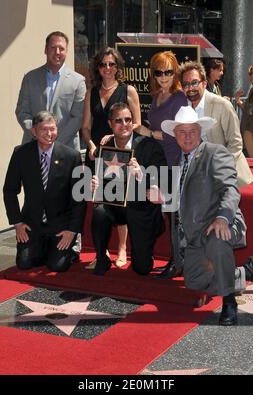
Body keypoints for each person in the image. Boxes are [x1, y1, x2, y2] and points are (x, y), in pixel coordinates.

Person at [160, 106, 253, 325]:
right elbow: (177, 199)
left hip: (221, 224)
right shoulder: (176, 161)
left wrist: (223, 217)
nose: (187, 136)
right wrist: (160, 195)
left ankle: (229, 301)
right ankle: (245, 272)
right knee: (194, 282)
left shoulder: (214, 152)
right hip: (195, 234)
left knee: (218, 239)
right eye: (182, 132)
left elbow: (230, 188)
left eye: (192, 131)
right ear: (175, 135)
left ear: (200, 131)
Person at [15, 31, 86, 261]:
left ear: (67, 51)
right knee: (35, 195)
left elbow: (76, 117)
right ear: (45, 49)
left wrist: (54, 141)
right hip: (34, 148)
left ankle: (70, 241)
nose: (58, 52)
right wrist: (38, 134)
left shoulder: (77, 81)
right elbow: (22, 111)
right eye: (53, 47)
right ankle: (38, 238)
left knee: (66, 197)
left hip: (66, 149)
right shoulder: (30, 77)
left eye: (62, 48)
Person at [91, 102, 167, 276]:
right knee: (99, 211)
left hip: (142, 210)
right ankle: (102, 257)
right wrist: (93, 183)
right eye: (118, 121)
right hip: (116, 206)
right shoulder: (106, 145)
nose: (124, 125)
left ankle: (145, 254)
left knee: (142, 268)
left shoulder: (149, 146)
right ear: (110, 124)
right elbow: (95, 170)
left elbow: (162, 180)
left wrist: (141, 174)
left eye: (128, 120)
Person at [3, 111, 85, 272]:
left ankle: (69, 250)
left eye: (52, 129)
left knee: (58, 266)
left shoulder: (71, 156)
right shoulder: (21, 154)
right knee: (25, 264)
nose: (49, 134)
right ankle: (46, 249)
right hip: (31, 224)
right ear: (34, 131)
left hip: (61, 225)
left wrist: (71, 231)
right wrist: (18, 223)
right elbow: (9, 190)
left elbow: (78, 198)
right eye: (44, 129)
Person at [82, 47, 141, 269]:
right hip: (96, 153)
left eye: (112, 64)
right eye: (104, 64)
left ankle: (123, 248)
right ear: (98, 68)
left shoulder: (128, 91)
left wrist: (116, 133)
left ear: (118, 67)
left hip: (119, 151)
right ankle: (101, 252)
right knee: (99, 201)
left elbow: (136, 122)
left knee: (118, 198)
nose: (108, 68)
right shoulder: (91, 92)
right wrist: (90, 144)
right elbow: (85, 127)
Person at [135, 51, 187, 279]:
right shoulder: (156, 96)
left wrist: (149, 132)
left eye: (168, 72)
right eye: (159, 72)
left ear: (174, 72)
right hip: (159, 163)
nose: (164, 76)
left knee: (176, 215)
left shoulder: (179, 98)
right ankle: (176, 260)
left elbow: (180, 134)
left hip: (176, 160)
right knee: (169, 213)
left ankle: (178, 262)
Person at [180, 61, 253, 188]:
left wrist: (219, 169)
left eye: (194, 82)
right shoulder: (183, 109)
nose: (190, 88)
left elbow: (235, 143)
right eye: (186, 84)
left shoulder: (222, 105)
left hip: (226, 176)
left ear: (204, 83)